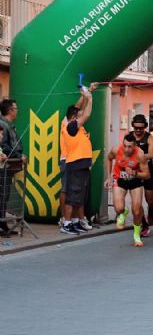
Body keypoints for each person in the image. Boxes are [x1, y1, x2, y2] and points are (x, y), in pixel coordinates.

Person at [104, 133, 150, 246]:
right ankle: (124, 212)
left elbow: (147, 175)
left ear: (135, 146)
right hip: (120, 179)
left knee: (137, 210)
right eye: (125, 146)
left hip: (135, 181)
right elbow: (108, 159)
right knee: (118, 208)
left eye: (130, 147)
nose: (127, 149)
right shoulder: (116, 150)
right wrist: (109, 177)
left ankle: (136, 235)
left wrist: (135, 173)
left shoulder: (140, 154)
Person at [59, 88, 94, 235]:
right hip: (74, 163)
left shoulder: (76, 126)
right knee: (72, 195)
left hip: (81, 164)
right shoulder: (71, 126)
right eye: (77, 114)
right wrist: (89, 97)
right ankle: (66, 223)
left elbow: (79, 110)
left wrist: (86, 93)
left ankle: (74, 222)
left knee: (78, 196)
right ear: (74, 117)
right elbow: (85, 113)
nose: (81, 114)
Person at [0, 98, 28, 236]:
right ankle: (1, 224)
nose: (17, 111)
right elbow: (4, 146)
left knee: (5, 195)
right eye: (16, 109)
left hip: (8, 166)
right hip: (4, 166)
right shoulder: (3, 125)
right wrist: (17, 155)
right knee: (2, 195)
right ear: (10, 110)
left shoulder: (8, 125)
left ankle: (3, 224)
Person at [129, 114, 153, 237]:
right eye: (136, 128)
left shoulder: (149, 138)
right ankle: (144, 224)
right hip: (134, 172)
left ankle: (151, 209)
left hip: (148, 171)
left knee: (151, 201)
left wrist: (139, 157)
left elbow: (152, 154)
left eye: (140, 128)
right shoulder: (129, 137)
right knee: (136, 202)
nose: (138, 130)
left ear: (145, 127)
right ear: (133, 126)